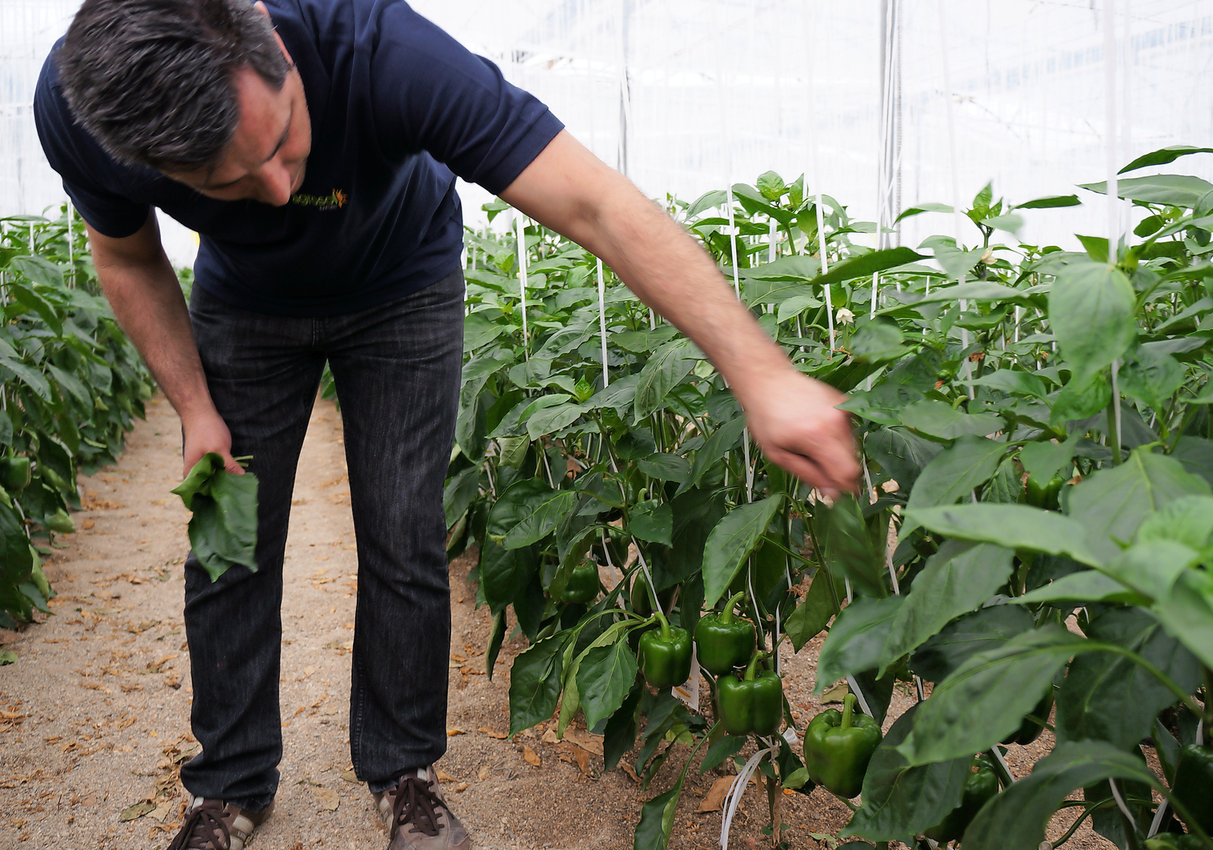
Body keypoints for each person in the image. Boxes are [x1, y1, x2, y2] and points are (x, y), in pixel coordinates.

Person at [34, 0, 862, 847]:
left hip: (402, 290)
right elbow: (127, 254)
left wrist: (761, 373)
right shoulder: (78, 107)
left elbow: (596, 205)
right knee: (226, 537)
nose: (280, 190)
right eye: (231, 182)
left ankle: (403, 773)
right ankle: (228, 787)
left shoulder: (379, 51)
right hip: (242, 311)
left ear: (271, 39)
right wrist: (195, 410)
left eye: (283, 136)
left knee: (403, 530)